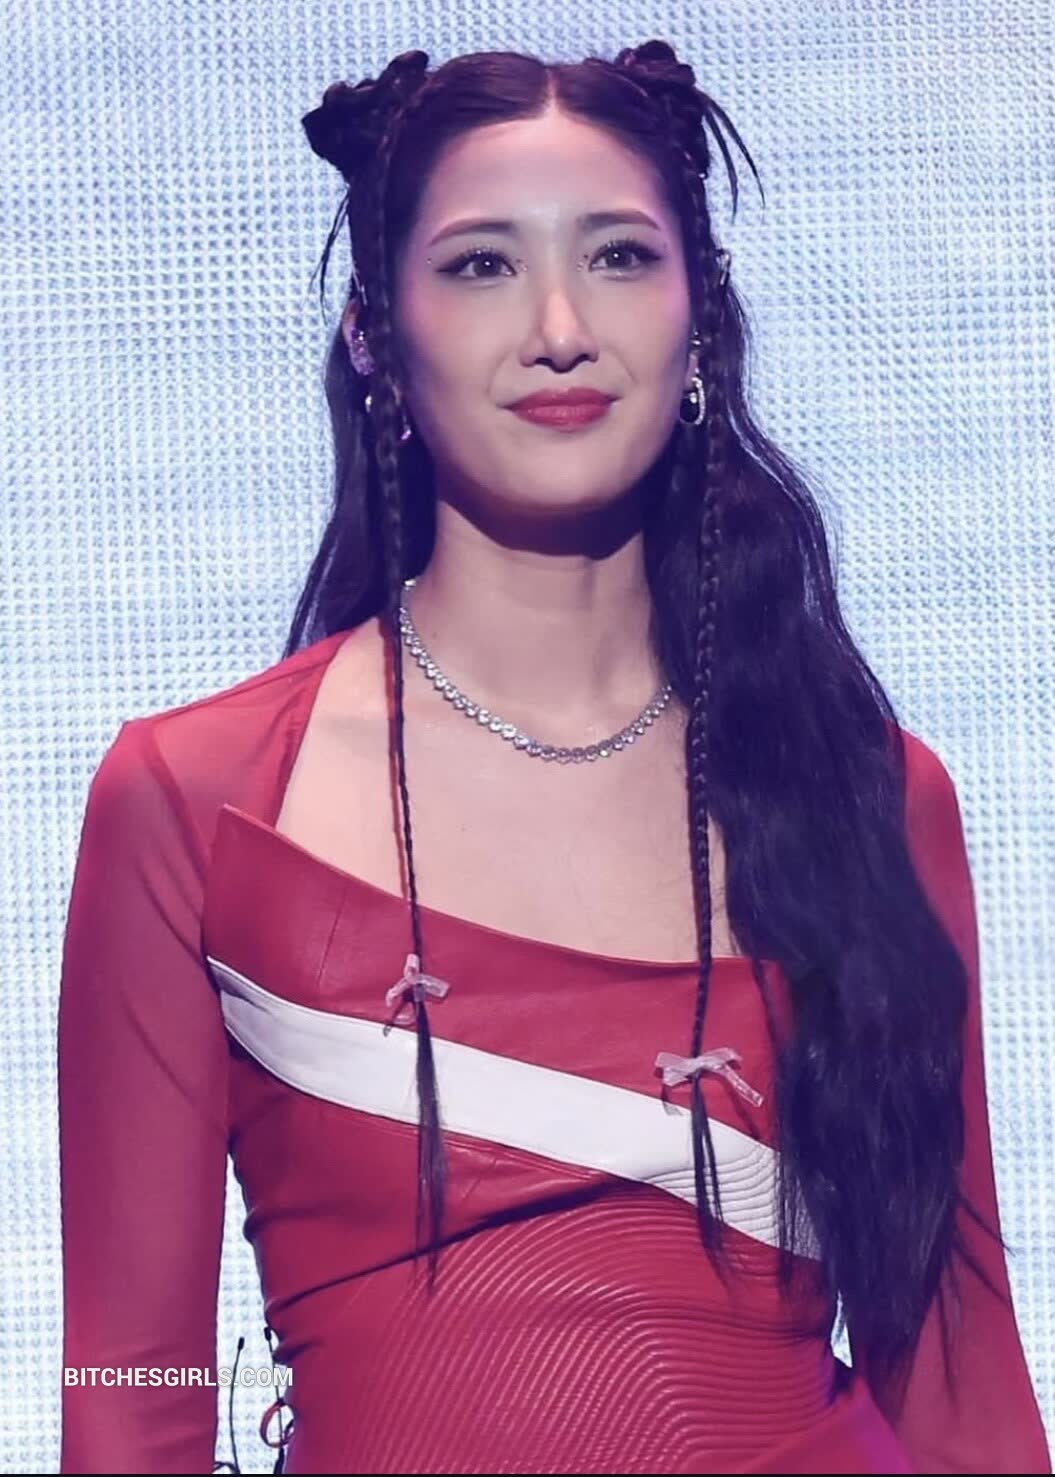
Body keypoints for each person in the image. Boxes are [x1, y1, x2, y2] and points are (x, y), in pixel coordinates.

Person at [57, 39, 1051, 1475]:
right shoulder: (195, 800)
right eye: (482, 266)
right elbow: (127, 1385)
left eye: (621, 257)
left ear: (701, 316)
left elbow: (957, 1366)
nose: (562, 327)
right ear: (374, 337)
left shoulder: (869, 793)